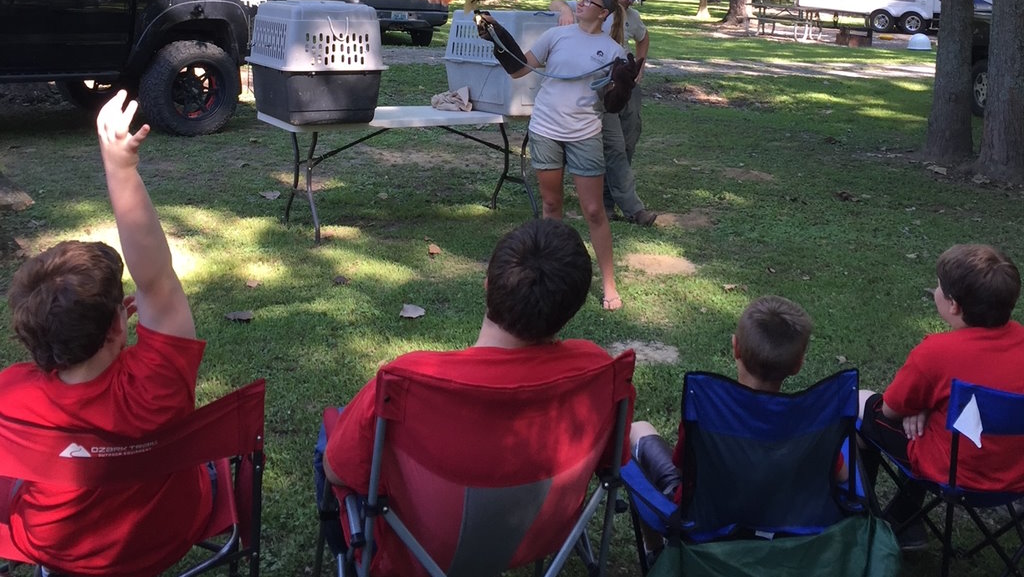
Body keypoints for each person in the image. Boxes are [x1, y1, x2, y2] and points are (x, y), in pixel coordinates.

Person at [315, 218, 632, 574]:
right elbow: (611, 462)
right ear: (571, 309)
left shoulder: (408, 381)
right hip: (542, 538)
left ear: (486, 287)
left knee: (331, 439)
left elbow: (337, 471)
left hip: (417, 553)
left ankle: (346, 557)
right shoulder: (599, 370)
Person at [1, 91, 212, 577]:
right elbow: (157, 280)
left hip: (55, 550)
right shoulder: (158, 384)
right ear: (122, 321)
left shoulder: (9, 396)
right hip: (166, 538)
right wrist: (120, 168)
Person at [857, 244, 1024, 550]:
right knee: (930, 422)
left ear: (954, 306)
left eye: (938, 286)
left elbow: (891, 411)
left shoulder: (937, 353)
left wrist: (918, 407)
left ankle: (866, 521)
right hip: (1014, 475)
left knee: (858, 403)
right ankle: (905, 516)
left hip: (954, 474)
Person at [484, 0, 626, 309]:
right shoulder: (557, 36)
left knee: (593, 210)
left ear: (603, 12)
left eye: (588, 1)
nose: (580, 4)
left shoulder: (613, 50)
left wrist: (621, 89)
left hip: (585, 133)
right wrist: (497, 39)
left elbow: (613, 101)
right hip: (546, 128)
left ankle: (608, 284)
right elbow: (520, 69)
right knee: (551, 207)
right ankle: (550, 278)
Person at [630, 296, 819, 508]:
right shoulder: (811, 422)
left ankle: (654, 542)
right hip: (782, 525)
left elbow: (683, 468)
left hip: (703, 527)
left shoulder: (704, 412)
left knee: (637, 430)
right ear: (798, 365)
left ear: (735, 348)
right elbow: (840, 475)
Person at [550, 0, 655, 226]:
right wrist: (563, 9)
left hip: (618, 88)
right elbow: (558, 4)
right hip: (592, 91)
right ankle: (620, 207)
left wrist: (638, 68)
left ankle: (619, 206)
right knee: (605, 147)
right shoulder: (595, 10)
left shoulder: (630, 17)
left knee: (622, 145)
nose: (630, 0)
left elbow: (643, 38)